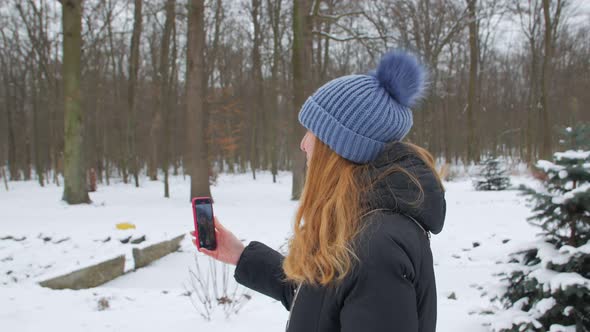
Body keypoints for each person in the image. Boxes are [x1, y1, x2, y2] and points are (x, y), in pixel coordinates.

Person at [191, 50, 446, 332]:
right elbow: (322, 299)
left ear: (341, 147)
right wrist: (241, 255)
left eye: (312, 132)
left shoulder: (377, 247)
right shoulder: (363, 226)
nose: (303, 144)